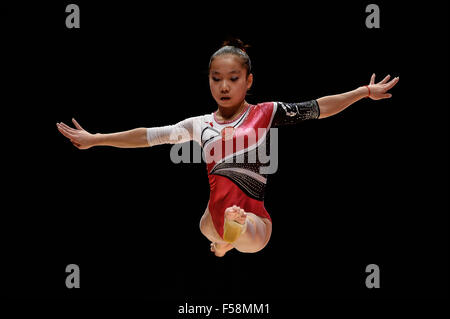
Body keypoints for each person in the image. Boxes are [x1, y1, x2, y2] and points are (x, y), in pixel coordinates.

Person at [57, 39, 399, 257]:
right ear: (208, 79)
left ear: (248, 80)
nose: (223, 86)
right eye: (215, 78)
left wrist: (362, 93)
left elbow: (319, 107)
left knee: (245, 230)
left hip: (256, 223)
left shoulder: (266, 113)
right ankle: (222, 238)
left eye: (233, 78)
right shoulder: (198, 125)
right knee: (213, 225)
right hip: (213, 217)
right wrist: (96, 139)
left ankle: (229, 235)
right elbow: (146, 135)